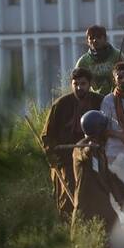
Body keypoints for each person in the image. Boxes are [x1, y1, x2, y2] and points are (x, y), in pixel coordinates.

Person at [40, 68, 104, 222]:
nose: (79, 87)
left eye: (83, 83)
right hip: (66, 160)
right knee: (67, 198)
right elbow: (47, 136)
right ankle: (68, 233)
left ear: (90, 84)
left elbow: (108, 129)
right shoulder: (60, 104)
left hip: (92, 156)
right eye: (75, 84)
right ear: (71, 84)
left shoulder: (100, 101)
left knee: (96, 195)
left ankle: (94, 229)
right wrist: (52, 157)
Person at [70, 110, 124, 234]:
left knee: (115, 233)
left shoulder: (100, 150)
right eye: (104, 130)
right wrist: (89, 148)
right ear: (98, 131)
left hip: (103, 207)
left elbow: (109, 177)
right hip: (87, 209)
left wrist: (123, 201)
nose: (107, 133)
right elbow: (84, 154)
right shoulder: (80, 147)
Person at [73, 25, 124, 95]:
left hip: (117, 97)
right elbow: (75, 81)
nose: (95, 40)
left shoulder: (117, 55)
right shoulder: (83, 61)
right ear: (87, 41)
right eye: (91, 38)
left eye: (99, 37)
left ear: (105, 39)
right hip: (95, 99)